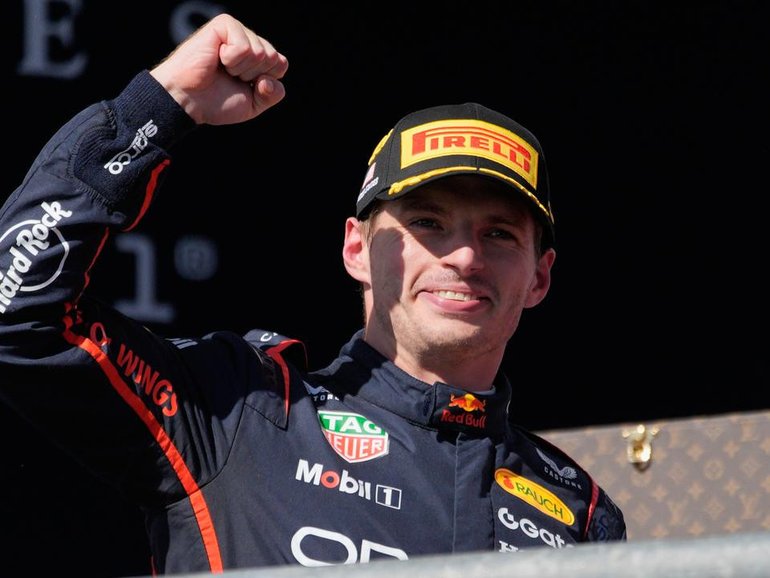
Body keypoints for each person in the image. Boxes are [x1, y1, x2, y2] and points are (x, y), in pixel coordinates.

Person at [0, 12, 626, 575]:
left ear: (539, 276)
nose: (463, 257)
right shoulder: (238, 410)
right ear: (356, 248)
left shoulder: (579, 510)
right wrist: (159, 108)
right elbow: (17, 316)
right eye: (427, 224)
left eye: (497, 234)